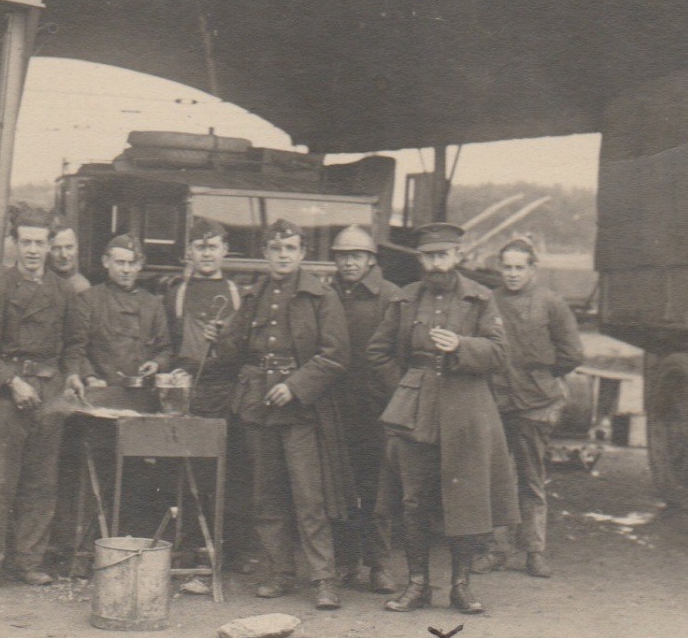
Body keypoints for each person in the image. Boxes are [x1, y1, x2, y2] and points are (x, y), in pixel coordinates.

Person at [366, 222, 519, 615]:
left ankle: (461, 586)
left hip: (466, 411)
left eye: (443, 255)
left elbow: (500, 354)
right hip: (415, 415)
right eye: (429, 256)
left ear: (457, 256)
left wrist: (462, 346)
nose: (436, 263)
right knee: (414, 500)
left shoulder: (480, 299)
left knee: (465, 499)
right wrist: (405, 390)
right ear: (420, 259)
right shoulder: (404, 299)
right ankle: (418, 585)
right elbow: (379, 352)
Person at [204, 219, 352, 610]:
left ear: (302, 253)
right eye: (275, 248)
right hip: (257, 403)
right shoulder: (254, 296)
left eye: (289, 248)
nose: (282, 255)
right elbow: (235, 352)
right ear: (265, 253)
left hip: (300, 408)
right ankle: (280, 572)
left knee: (309, 495)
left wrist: (296, 386)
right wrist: (219, 338)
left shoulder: (321, 296)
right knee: (266, 493)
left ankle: (323, 579)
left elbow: (335, 356)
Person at [0, 205, 86, 591]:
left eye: (40, 243)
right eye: (26, 242)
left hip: (48, 394)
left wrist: (72, 375)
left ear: (51, 246)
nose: (33, 251)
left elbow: (74, 343)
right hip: (7, 394)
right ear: (14, 244)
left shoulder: (62, 291)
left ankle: (29, 561)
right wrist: (12, 382)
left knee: (40, 481)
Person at [480, 237, 584, 578]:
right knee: (496, 477)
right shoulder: (488, 301)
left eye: (519, 268)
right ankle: (496, 549)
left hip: (535, 403)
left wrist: (542, 376)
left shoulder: (550, 303)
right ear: (499, 268)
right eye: (506, 267)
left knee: (532, 478)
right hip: (496, 399)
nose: (511, 274)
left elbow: (572, 353)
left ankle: (534, 551)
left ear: (532, 269)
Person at [163, 217, 251, 565]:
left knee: (231, 472)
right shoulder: (176, 294)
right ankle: (187, 546)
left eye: (213, 246)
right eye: (199, 246)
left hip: (227, 392)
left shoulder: (238, 294)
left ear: (225, 251)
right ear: (189, 252)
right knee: (187, 471)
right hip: (190, 393)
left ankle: (233, 550)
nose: (206, 253)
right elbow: (169, 344)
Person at [328, 224, 401, 594]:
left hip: (376, 407)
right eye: (342, 256)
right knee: (340, 487)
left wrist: (390, 394)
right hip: (336, 404)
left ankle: (379, 565)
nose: (348, 263)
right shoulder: (327, 294)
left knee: (378, 489)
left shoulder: (390, 297)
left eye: (355, 256)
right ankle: (345, 562)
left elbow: (398, 352)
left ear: (370, 259)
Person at [77, 233, 172, 389]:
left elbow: (166, 349)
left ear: (140, 265)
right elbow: (76, 349)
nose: (126, 270)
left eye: (132, 263)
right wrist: (90, 377)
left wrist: (156, 364)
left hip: (142, 393)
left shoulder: (153, 304)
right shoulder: (88, 300)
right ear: (106, 262)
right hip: (101, 390)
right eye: (120, 263)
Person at [48, 223, 91, 294]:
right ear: (47, 249)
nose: (64, 255)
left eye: (69, 247)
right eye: (56, 248)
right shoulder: (40, 282)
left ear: (77, 249)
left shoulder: (82, 287)